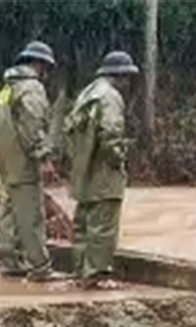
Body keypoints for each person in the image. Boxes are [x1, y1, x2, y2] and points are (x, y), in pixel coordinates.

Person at [65, 50, 139, 289]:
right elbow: (110, 135)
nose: (128, 83)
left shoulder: (87, 94)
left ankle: (81, 271)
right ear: (117, 75)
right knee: (103, 224)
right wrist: (119, 159)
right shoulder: (110, 97)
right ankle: (97, 274)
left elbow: (71, 132)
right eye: (126, 77)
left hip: (83, 169)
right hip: (104, 171)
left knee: (84, 223)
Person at [0, 41, 65, 283]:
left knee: (10, 213)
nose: (47, 74)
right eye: (46, 68)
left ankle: (10, 262)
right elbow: (33, 126)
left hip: (7, 163)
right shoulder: (31, 88)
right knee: (32, 216)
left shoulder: (7, 89)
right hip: (24, 163)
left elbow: (0, 128)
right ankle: (40, 267)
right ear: (40, 64)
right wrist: (43, 157)